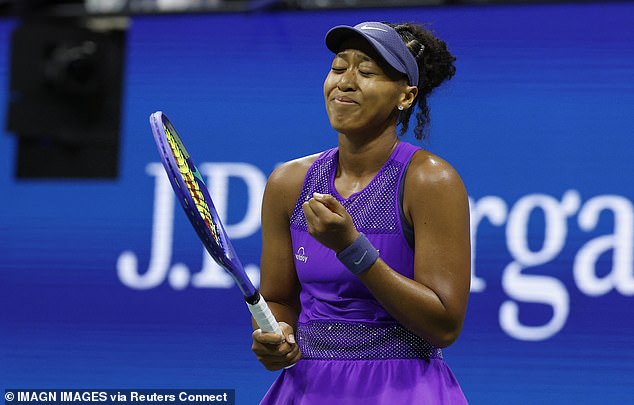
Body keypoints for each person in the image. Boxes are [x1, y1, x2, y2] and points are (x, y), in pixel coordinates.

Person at [251, 21, 470, 404]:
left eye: (366, 72)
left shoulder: (431, 181)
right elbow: (279, 298)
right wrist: (277, 335)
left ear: (406, 96)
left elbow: (444, 326)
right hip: (307, 388)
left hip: (402, 389)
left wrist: (352, 247)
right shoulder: (288, 183)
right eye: (338, 68)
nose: (345, 82)